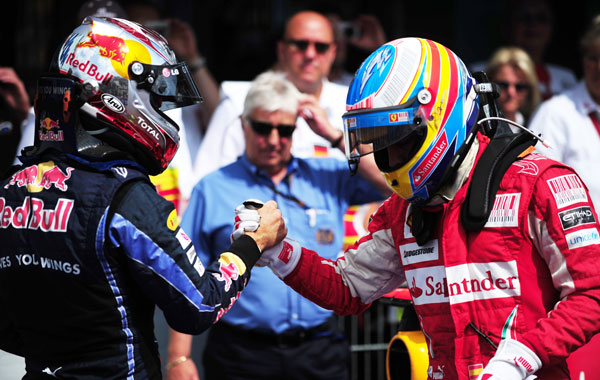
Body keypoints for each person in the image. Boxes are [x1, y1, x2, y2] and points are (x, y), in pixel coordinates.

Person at [237, 37, 600, 379]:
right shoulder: (403, 212)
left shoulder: (539, 182)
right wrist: (277, 251)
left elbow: (592, 291)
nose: (389, 156)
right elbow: (347, 287)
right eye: (377, 142)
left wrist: (524, 355)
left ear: (442, 117)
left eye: (398, 138)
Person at [0, 16, 284, 379]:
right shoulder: (126, 197)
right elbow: (200, 304)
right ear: (118, 92)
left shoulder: (10, 190)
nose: (163, 111)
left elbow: (7, 328)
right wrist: (252, 243)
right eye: (156, 99)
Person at [165, 71, 390, 380]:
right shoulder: (212, 188)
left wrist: (335, 136)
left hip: (319, 349)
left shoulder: (327, 176)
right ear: (243, 124)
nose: (273, 140)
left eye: (284, 130)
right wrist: (178, 357)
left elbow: (393, 184)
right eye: (262, 128)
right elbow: (186, 275)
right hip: (241, 354)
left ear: (296, 129)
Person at [192, 10, 349, 181]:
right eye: (300, 45)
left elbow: (379, 182)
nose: (310, 54)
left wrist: (337, 137)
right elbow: (205, 181)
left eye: (321, 47)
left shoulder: (352, 104)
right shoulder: (239, 102)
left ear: (333, 52)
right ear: (281, 50)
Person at [529, 15, 600, 209]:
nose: (599, 68)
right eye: (593, 58)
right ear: (583, 60)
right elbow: (535, 189)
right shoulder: (554, 112)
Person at [470, 0, 576, 100]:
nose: (534, 24)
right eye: (525, 17)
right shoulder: (477, 75)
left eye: (541, 18)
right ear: (506, 26)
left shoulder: (566, 80)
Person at [486, 47, 541, 125]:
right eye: (503, 85)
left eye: (519, 87)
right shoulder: (472, 124)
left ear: (530, 91)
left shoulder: (538, 126)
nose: (511, 93)